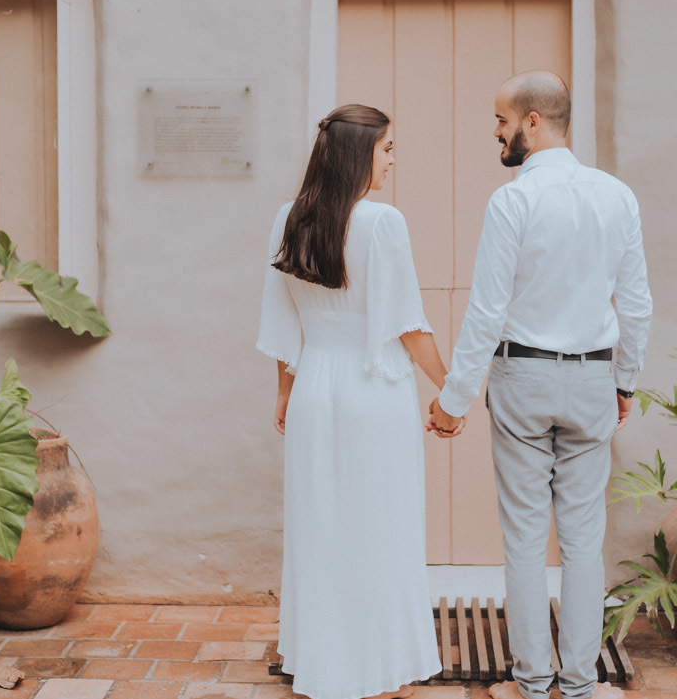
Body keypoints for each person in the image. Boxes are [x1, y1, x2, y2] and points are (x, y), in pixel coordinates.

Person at [427, 71, 653, 699]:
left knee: (525, 538)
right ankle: (580, 684)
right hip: (593, 380)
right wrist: (625, 381)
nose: (496, 134)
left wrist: (454, 400)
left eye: (502, 121)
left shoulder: (512, 201)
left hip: (523, 378)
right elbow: (636, 305)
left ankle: (531, 683)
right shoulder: (617, 196)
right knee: (583, 540)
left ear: (532, 121)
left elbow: (486, 311)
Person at [257, 104, 455, 699]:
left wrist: (286, 393)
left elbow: (282, 322)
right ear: (358, 154)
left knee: (320, 527)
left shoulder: (287, 221)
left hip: (317, 384)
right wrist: (452, 391)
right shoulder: (382, 223)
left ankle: (323, 657)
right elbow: (409, 327)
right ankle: (374, 665)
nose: (393, 161)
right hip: (374, 391)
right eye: (388, 149)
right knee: (380, 526)